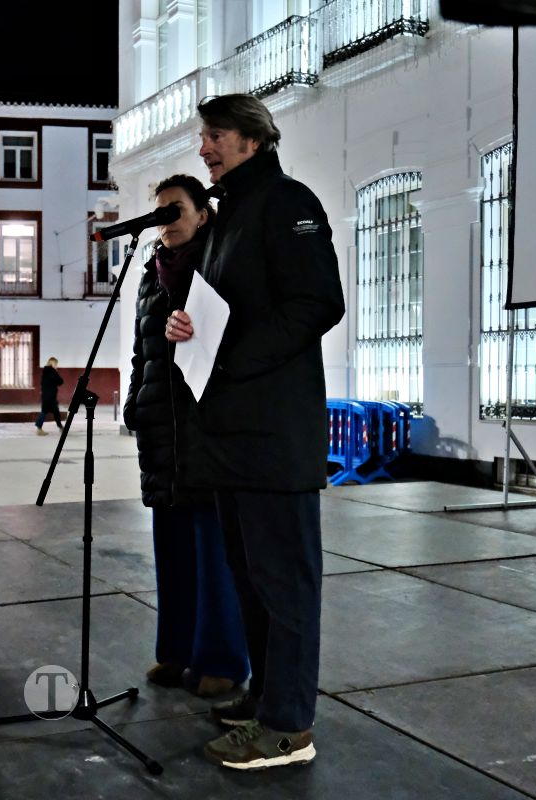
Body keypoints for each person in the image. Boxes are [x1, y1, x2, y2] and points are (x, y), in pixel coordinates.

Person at [165, 94, 344, 771]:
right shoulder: (228, 215)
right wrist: (187, 327)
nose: (203, 149)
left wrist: (230, 352)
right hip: (232, 438)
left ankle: (289, 729)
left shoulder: (285, 201)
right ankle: (266, 698)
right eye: (203, 137)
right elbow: (219, 309)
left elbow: (316, 302)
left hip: (275, 437)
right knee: (251, 582)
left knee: (286, 586)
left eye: (213, 136)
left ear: (249, 139)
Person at [124, 174, 250, 698]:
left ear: (202, 214)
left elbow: (239, 334)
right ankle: (176, 652)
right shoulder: (151, 277)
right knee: (172, 550)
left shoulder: (218, 265)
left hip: (204, 427)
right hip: (161, 429)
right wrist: (134, 401)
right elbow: (141, 351)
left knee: (213, 550)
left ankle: (220, 659)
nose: (166, 221)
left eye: (175, 210)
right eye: (159, 212)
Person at [34, 357, 63, 435]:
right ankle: (39, 428)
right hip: (50, 396)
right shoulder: (52, 371)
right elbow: (60, 381)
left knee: (54, 411)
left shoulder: (45, 371)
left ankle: (60, 427)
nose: (57, 366)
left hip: (46, 395)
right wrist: (56, 375)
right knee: (46, 411)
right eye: (56, 364)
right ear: (53, 363)